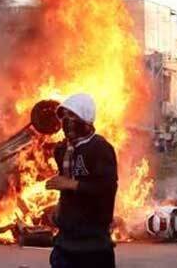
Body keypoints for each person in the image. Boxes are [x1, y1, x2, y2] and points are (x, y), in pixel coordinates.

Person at [46, 94, 118, 268]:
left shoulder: (100, 148)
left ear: (86, 120)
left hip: (93, 244)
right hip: (65, 243)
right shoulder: (62, 150)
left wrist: (72, 184)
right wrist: (59, 209)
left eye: (73, 116)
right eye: (64, 116)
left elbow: (107, 188)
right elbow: (66, 190)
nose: (67, 121)